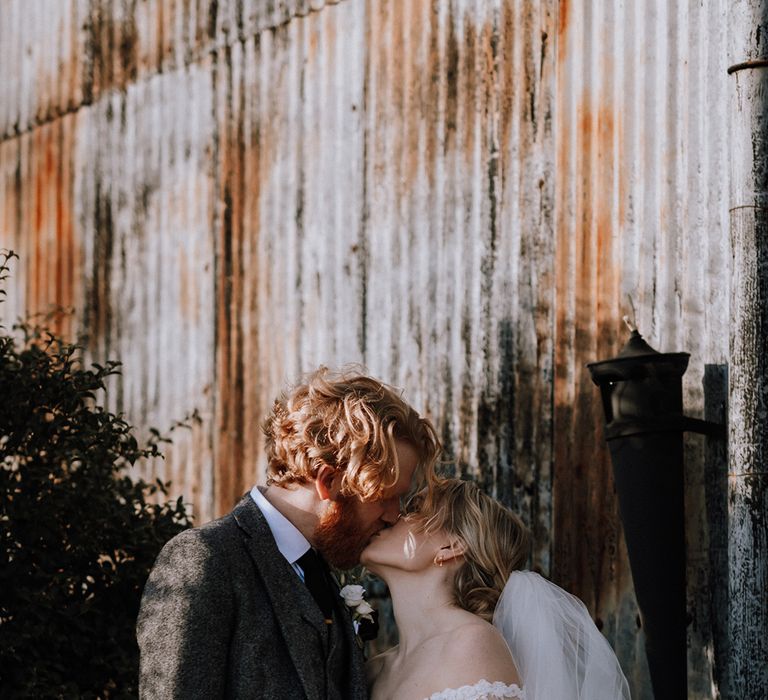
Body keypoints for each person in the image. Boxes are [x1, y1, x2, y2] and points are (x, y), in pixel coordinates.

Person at [137, 367, 440, 699]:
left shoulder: (321, 568)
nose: (395, 515)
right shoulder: (206, 559)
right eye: (383, 497)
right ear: (327, 482)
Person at [361, 478, 631, 700]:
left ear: (451, 547)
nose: (393, 516)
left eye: (414, 510)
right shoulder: (374, 669)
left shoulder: (472, 645)